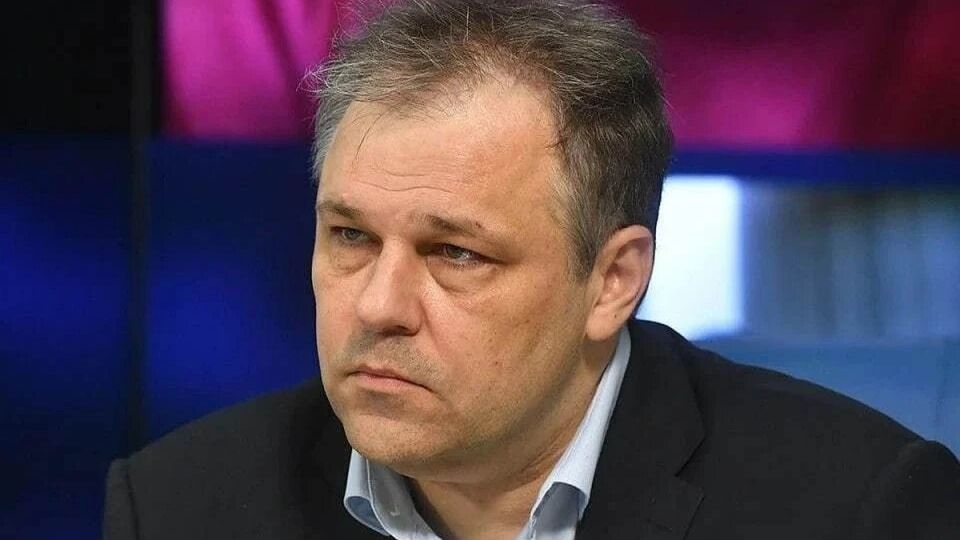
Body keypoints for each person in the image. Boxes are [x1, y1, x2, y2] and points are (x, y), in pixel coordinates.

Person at [103, 1, 960, 538]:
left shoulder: (857, 510)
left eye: (455, 253)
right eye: (351, 237)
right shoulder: (178, 506)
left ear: (614, 281)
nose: (378, 305)